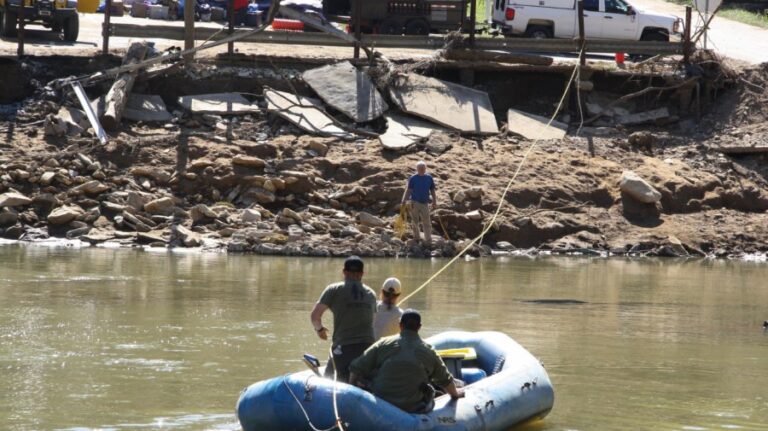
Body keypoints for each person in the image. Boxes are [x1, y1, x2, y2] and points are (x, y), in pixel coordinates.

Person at [349, 309, 465, 413]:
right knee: (430, 388)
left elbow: (356, 367)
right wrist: (456, 394)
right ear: (419, 327)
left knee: (366, 378)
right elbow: (445, 380)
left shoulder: (383, 343)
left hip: (381, 403)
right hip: (411, 407)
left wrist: (352, 388)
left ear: (400, 325)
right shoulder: (429, 351)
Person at [310, 256, 377, 383]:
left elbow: (315, 316)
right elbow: (372, 322)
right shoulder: (371, 294)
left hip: (344, 347)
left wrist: (320, 330)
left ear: (344, 272)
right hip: (368, 350)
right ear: (362, 274)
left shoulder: (334, 289)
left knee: (328, 384)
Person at [401, 161, 437, 245]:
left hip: (425, 203)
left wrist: (434, 201)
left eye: (423, 168)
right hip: (414, 202)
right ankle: (417, 237)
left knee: (426, 221)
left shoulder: (429, 178)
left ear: (425, 169)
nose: (422, 170)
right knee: (415, 221)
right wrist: (404, 201)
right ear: (417, 169)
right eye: (420, 168)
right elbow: (408, 190)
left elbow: (432, 190)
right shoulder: (413, 178)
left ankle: (428, 239)